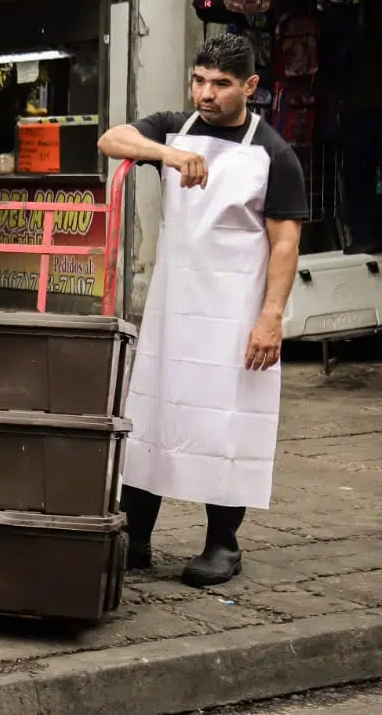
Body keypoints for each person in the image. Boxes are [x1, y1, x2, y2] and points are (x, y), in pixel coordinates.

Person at [97, 33, 307, 588]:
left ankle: (223, 543)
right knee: (155, 413)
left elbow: (285, 243)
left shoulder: (275, 155)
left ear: (250, 87)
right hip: (173, 304)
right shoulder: (175, 126)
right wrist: (167, 152)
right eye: (199, 80)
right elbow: (111, 140)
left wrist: (272, 318)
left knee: (226, 420)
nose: (206, 94)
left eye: (220, 84)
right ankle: (136, 536)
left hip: (235, 309)